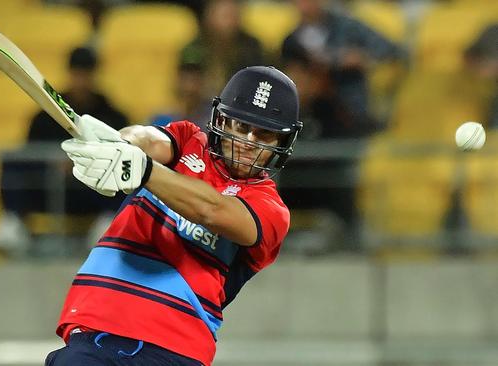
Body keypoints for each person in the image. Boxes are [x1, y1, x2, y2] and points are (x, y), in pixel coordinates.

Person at [44, 66, 302, 365]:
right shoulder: (188, 140)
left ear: (282, 143)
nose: (248, 142)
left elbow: (211, 209)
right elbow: (147, 138)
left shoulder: (271, 209)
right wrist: (119, 145)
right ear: (220, 121)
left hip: (173, 349)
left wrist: (142, 169)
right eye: (239, 127)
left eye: (264, 134)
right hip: (97, 326)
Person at [0, 46, 128, 248]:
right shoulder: (47, 114)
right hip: (50, 186)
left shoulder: (112, 115)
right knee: (11, 160)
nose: (82, 80)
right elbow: (32, 152)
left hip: (92, 191)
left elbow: (123, 153)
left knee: (128, 169)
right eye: (78, 73)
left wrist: (80, 163)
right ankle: (12, 219)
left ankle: (110, 220)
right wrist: (53, 163)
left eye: (86, 74)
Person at [280, 0, 404, 138]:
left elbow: (391, 52)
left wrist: (358, 59)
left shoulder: (348, 28)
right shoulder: (291, 40)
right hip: (312, 116)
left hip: (351, 112)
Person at [181, 0, 264, 97]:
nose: (228, 23)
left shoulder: (251, 47)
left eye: (232, 16)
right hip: (200, 103)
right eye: (224, 16)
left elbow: (257, 82)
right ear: (209, 17)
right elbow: (185, 82)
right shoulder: (195, 47)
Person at [150, 46, 213, 131]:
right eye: (184, 78)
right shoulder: (161, 120)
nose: (189, 86)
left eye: (195, 79)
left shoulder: (212, 122)